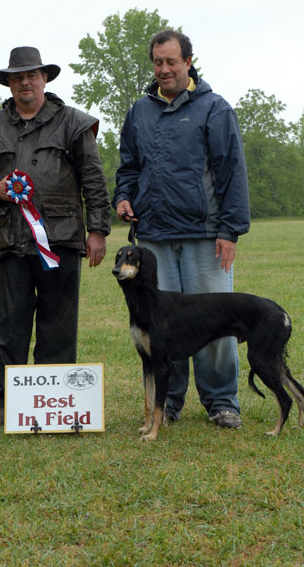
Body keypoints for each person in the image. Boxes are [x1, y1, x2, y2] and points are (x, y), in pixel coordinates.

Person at [0, 46, 111, 428]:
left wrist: (98, 229)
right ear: (9, 83)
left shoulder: (74, 123)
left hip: (62, 241)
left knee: (58, 324)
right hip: (11, 241)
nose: (25, 82)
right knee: (8, 326)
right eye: (17, 77)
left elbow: (93, 179)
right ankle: (3, 402)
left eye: (32, 75)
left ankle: (55, 403)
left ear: (45, 79)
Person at [113, 30, 250, 429]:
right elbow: (128, 166)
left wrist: (230, 229)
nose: (164, 69)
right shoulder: (139, 111)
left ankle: (222, 401)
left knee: (216, 324)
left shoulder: (214, 108)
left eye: (172, 61)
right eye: (158, 62)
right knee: (160, 328)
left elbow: (232, 172)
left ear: (189, 62)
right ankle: (168, 404)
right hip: (153, 237)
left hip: (205, 236)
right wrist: (123, 195)